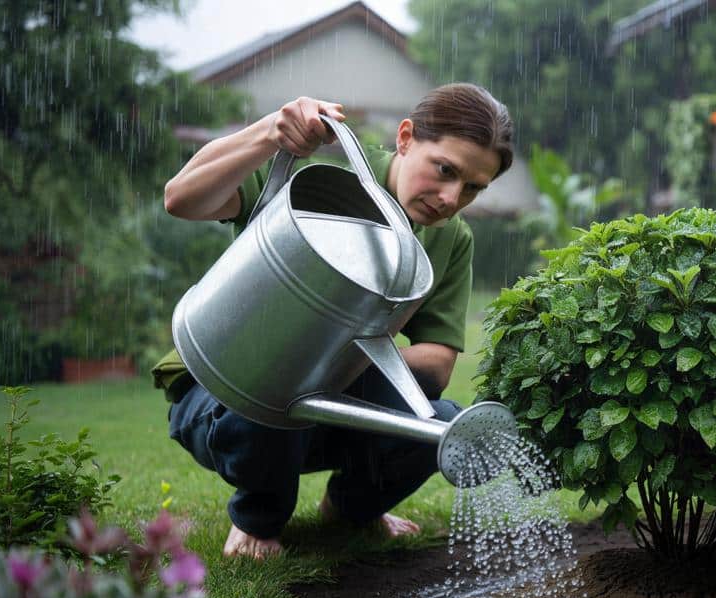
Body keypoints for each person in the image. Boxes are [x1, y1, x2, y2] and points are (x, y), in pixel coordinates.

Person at [151, 84, 514, 559]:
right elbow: (181, 199)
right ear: (406, 138)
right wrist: (270, 133)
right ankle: (258, 520)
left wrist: (332, 355)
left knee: (438, 425)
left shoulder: (450, 237)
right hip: (222, 393)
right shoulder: (317, 180)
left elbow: (436, 364)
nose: (451, 197)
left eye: (472, 188)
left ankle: (350, 509)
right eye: (445, 170)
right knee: (288, 368)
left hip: (326, 402)